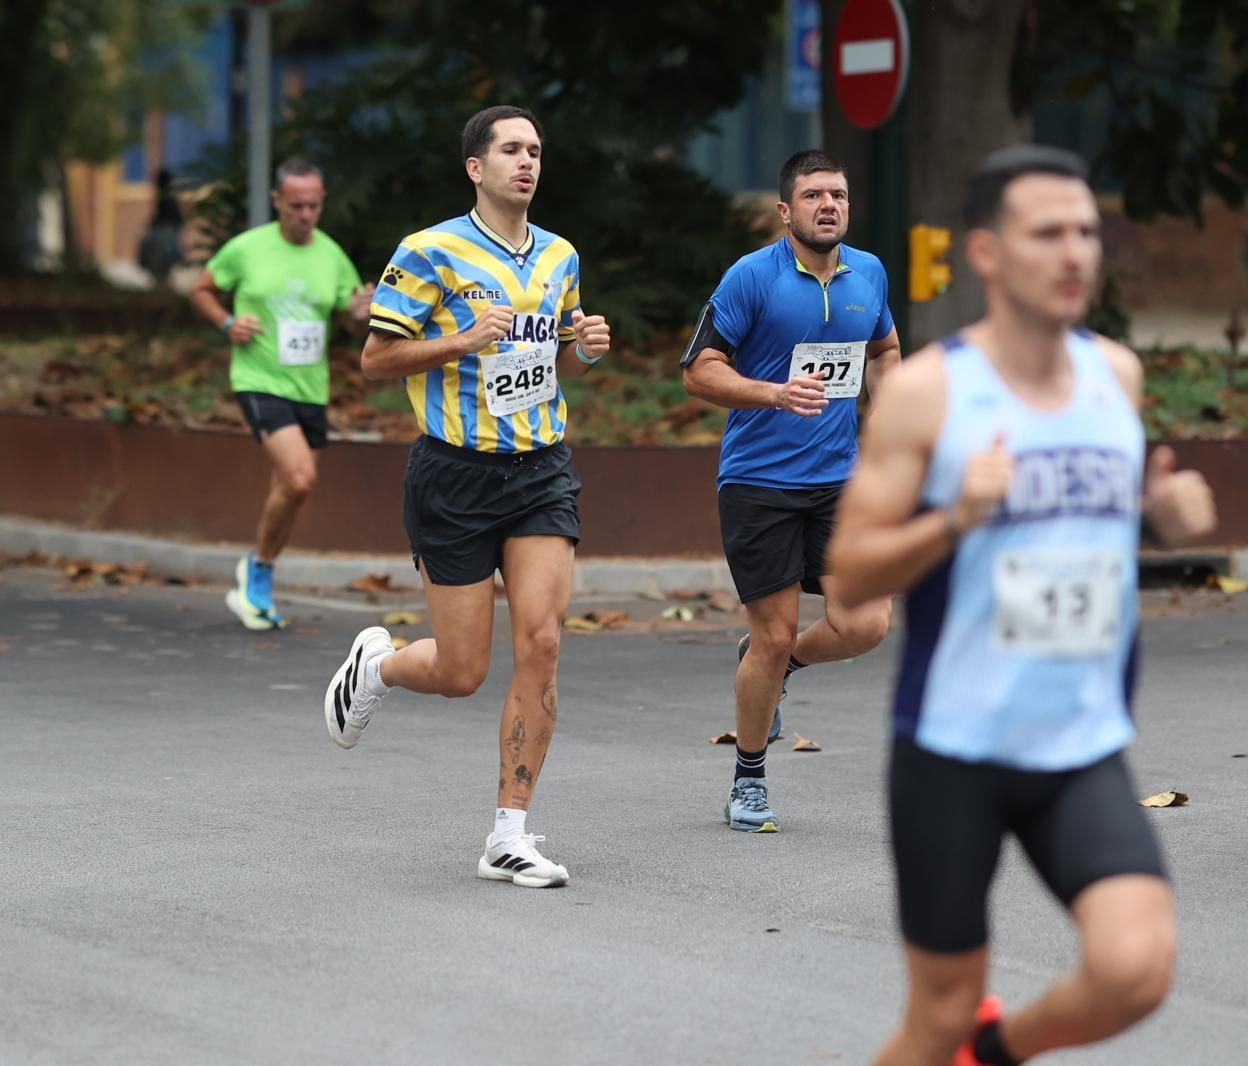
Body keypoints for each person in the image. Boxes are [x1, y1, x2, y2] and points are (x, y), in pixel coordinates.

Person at [827, 145, 1217, 1066]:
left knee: (1137, 968)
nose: (1075, 251)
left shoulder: (1115, 376)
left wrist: (1161, 517)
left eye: (1086, 230)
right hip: (955, 750)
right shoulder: (930, 392)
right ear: (989, 255)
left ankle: (996, 1054)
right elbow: (847, 575)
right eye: (1048, 233)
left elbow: (1087, 522)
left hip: (1078, 744)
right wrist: (954, 520)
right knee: (935, 1016)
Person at [319, 105, 612, 888]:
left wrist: (579, 349)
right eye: (511, 150)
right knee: (460, 672)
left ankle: (508, 833)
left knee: (544, 642)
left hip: (541, 468)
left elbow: (548, 353)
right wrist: (459, 341)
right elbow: (376, 362)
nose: (528, 162)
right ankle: (377, 667)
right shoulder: (429, 252)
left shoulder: (560, 257)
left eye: (536, 151)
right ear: (476, 168)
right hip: (454, 474)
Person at [681, 149, 902, 833]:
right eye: (813, 196)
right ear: (786, 210)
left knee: (866, 624)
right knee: (772, 634)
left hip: (840, 483)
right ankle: (748, 777)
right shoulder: (753, 278)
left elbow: (884, 350)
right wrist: (771, 393)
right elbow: (698, 371)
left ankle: (773, 669)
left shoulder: (869, 272)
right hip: (760, 484)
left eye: (837, 194)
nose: (828, 205)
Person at [190, 158, 375, 630]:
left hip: (309, 386)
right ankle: (259, 567)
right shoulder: (247, 249)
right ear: (277, 201)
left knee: (289, 488)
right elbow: (202, 289)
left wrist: (360, 311)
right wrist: (228, 323)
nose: (306, 214)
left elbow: (353, 324)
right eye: (296, 205)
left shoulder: (331, 255)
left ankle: (258, 577)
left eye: (313, 205)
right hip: (258, 379)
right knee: (299, 477)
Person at [138, 168, 184, 285]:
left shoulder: (167, 197)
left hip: (165, 234)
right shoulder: (167, 196)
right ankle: (161, 281)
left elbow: (172, 217)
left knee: (161, 259)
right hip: (166, 233)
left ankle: (162, 282)